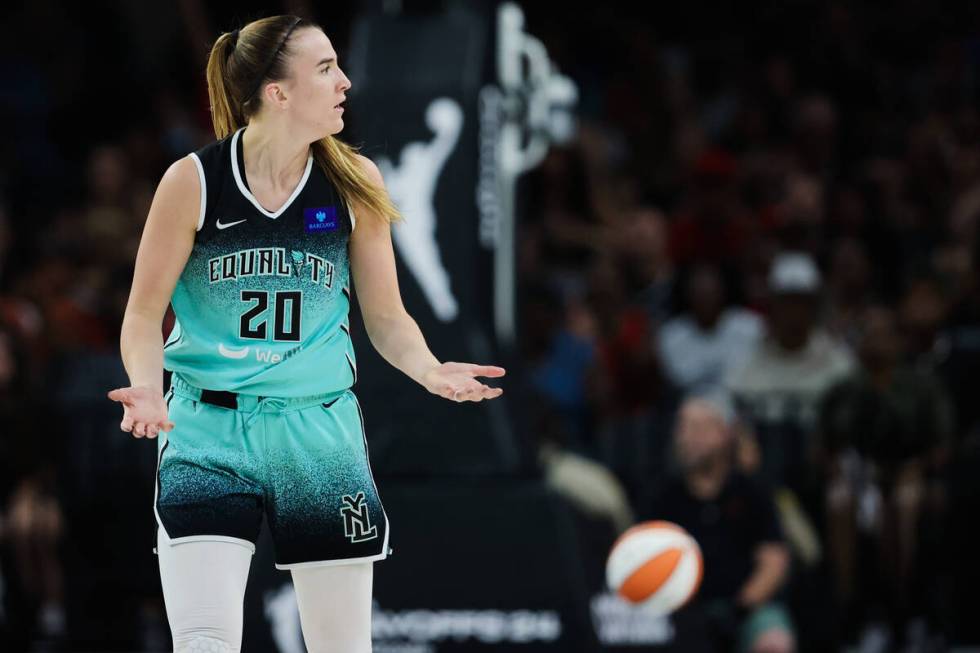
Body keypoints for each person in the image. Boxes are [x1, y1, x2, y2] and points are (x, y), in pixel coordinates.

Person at [107, 15, 505, 653]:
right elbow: (140, 315)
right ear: (277, 92)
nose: (345, 81)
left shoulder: (355, 182)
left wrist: (431, 369)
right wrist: (147, 390)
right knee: (204, 642)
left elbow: (385, 318)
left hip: (318, 432)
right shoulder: (193, 182)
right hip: (208, 431)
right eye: (326, 69)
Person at [645, 398, 795, 653]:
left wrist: (739, 610)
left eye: (700, 428)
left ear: (726, 434)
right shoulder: (661, 495)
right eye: (682, 427)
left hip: (745, 608)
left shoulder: (751, 491)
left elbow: (774, 561)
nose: (687, 438)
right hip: (679, 612)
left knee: (774, 641)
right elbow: (644, 562)